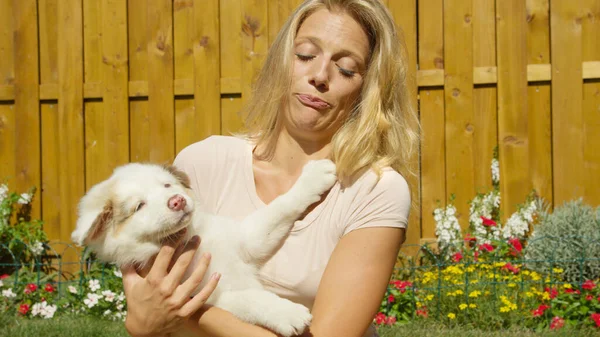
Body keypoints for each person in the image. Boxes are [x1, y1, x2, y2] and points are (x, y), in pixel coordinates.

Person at [121, 0, 419, 336]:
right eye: (305, 55)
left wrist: (180, 313)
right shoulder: (201, 165)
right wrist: (149, 315)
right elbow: (151, 289)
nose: (320, 76)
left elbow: (160, 309)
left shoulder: (374, 190)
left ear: (369, 89)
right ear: (281, 60)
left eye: (347, 69)